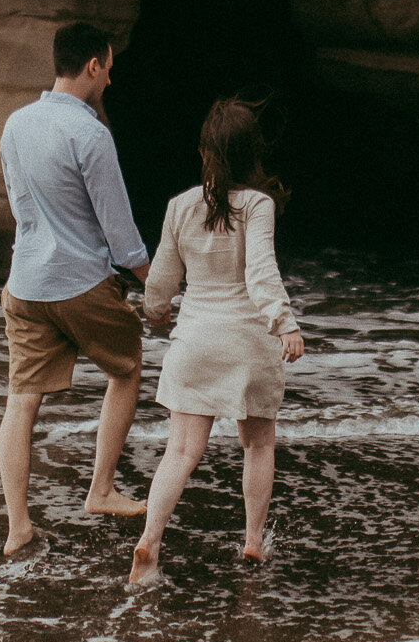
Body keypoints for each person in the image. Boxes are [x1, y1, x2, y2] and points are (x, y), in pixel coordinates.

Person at [128, 98, 305, 590]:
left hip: (196, 341)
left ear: (205, 151)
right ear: (252, 153)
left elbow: (161, 281)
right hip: (248, 342)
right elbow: (261, 273)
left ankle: (150, 539)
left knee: (181, 451)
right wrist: (285, 323)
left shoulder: (179, 207)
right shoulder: (258, 205)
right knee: (258, 443)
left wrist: (155, 314)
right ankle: (252, 540)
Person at [0, 22, 152, 556]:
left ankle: (18, 527)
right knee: (127, 369)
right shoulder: (90, 133)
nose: (110, 78)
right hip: (79, 283)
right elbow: (120, 231)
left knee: (21, 400)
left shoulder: (15, 124)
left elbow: (22, 209)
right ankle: (101, 489)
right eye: (109, 67)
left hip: (25, 283)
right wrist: (154, 285)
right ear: (92, 65)